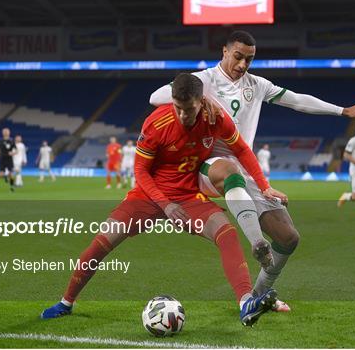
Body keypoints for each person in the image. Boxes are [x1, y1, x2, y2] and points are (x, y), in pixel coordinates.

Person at [149, 30, 355, 311]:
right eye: (238, 57)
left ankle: (257, 296)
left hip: (244, 167)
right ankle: (256, 242)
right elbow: (155, 97)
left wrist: (343, 111)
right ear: (225, 52)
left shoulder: (257, 85)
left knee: (288, 238)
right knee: (230, 171)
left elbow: (297, 100)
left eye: (249, 59)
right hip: (207, 165)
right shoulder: (203, 80)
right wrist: (204, 101)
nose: (243, 64)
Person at [41, 74, 286, 326]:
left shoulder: (216, 118)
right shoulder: (157, 123)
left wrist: (264, 186)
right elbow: (140, 172)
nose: (182, 115)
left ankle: (246, 303)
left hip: (189, 196)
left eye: (188, 109)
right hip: (148, 196)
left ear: (202, 101)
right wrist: (165, 204)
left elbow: (242, 150)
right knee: (102, 243)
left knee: (227, 233)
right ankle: (66, 302)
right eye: (178, 108)